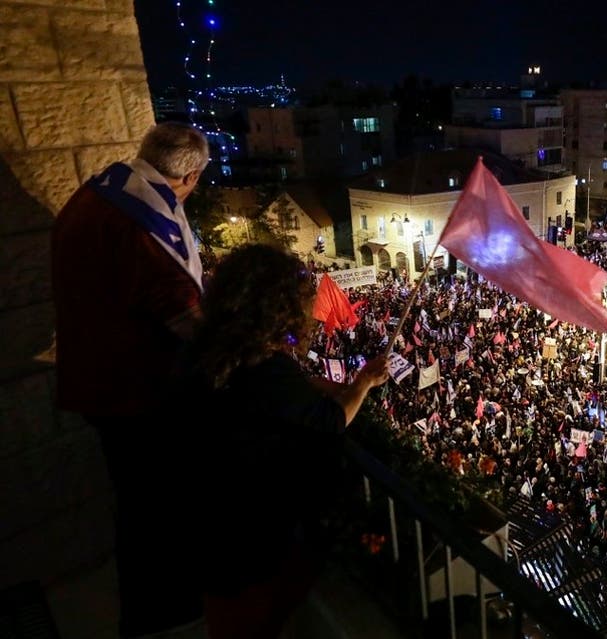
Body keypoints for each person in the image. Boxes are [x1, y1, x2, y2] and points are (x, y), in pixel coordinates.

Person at [181, 244, 389, 639]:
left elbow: (274, 391)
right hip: (250, 534)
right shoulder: (266, 366)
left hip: (209, 516)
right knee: (253, 622)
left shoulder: (216, 345)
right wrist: (363, 383)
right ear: (278, 307)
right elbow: (332, 420)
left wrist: (312, 384)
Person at [51, 122, 209, 637]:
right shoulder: (142, 228)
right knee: (155, 511)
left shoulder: (101, 192)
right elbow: (188, 321)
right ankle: (164, 615)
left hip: (98, 372)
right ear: (189, 176)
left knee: (137, 502)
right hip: (136, 390)